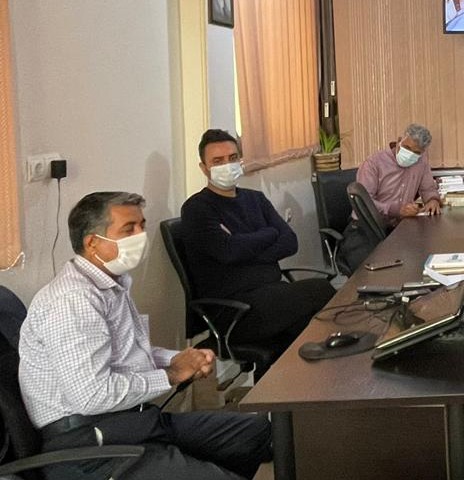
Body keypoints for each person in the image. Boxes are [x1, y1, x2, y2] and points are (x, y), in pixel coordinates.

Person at [18, 191, 272, 480]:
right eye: (129, 229)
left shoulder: (110, 285)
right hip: (90, 445)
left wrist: (178, 359)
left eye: (142, 226)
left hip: (133, 421)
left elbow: (128, 352)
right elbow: (91, 396)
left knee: (254, 433)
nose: (140, 236)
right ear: (92, 243)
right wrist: (171, 375)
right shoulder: (73, 301)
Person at [181, 129, 335, 361]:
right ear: (204, 168)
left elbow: (289, 242)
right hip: (235, 311)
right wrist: (269, 233)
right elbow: (228, 251)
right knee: (320, 291)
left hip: (272, 295)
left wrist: (243, 247)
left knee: (312, 329)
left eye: (233, 158)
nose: (227, 165)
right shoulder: (197, 209)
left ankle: (297, 382)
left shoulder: (256, 199)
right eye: (218, 161)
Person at [339, 123, 441, 273]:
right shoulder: (374, 163)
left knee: (420, 263)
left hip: (398, 228)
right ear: (399, 140)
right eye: (407, 148)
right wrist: (397, 210)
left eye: (416, 152)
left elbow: (428, 189)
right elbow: (365, 203)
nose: (410, 154)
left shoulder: (421, 162)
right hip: (365, 228)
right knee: (369, 273)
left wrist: (432, 200)